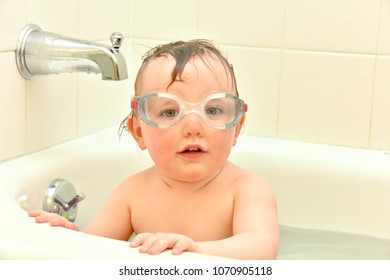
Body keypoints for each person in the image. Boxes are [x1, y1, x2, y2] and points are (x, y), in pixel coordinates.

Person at [28, 39, 279, 259]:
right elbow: (96, 249)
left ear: (236, 127)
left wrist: (199, 252)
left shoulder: (246, 189)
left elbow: (261, 249)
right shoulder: (132, 193)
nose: (193, 127)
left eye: (212, 110)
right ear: (139, 131)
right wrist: (69, 238)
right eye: (170, 112)